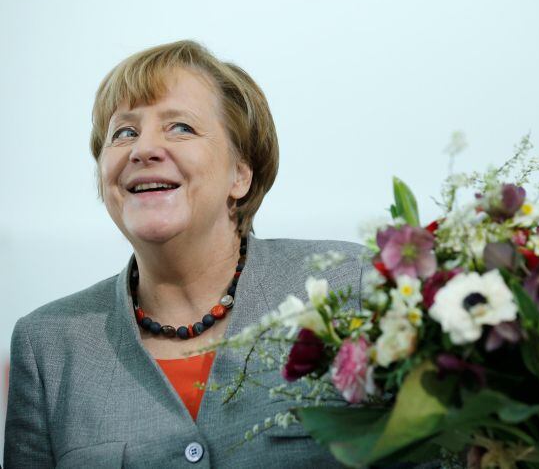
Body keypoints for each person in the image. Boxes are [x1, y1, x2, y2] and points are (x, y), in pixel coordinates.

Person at [3, 40, 368, 468]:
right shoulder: (46, 346)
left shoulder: (351, 286)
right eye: (124, 133)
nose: (143, 149)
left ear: (240, 174)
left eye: (180, 127)